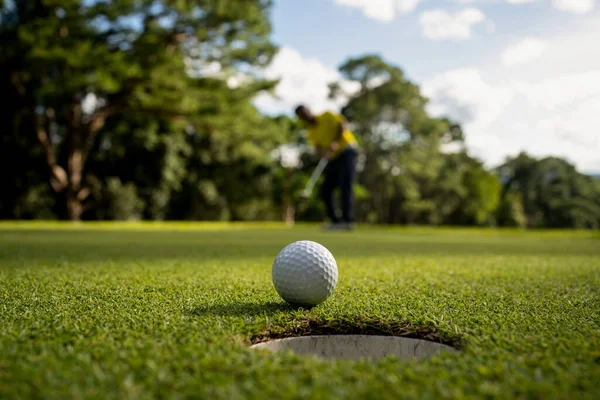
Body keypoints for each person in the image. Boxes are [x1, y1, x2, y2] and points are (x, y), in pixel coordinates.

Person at [295, 104, 359, 230]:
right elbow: (318, 149)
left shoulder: (327, 115)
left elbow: (343, 124)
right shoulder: (310, 132)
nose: (305, 117)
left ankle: (348, 221)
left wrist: (335, 142)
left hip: (347, 151)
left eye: (305, 113)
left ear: (309, 110)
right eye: (301, 116)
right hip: (333, 158)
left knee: (345, 185)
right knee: (326, 188)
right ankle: (335, 221)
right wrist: (323, 152)